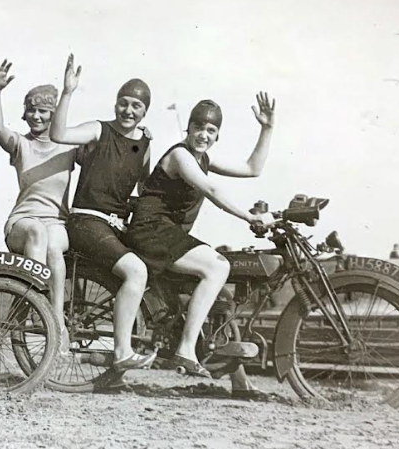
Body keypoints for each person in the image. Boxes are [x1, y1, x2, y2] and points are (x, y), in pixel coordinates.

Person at [123, 94, 276, 398]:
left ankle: (232, 375)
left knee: (218, 286)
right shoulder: (181, 156)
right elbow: (210, 187)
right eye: (198, 127)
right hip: (150, 229)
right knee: (218, 266)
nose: (203, 135)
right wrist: (249, 216)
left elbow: (252, 168)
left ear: (217, 135)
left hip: (166, 233)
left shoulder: (203, 158)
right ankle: (186, 349)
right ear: (189, 128)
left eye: (211, 131)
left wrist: (267, 130)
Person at [50, 54, 155, 370]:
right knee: (136, 271)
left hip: (114, 226)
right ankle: (122, 351)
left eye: (136, 106)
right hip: (86, 222)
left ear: (144, 111)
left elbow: (145, 188)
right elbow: (59, 134)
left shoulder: (145, 144)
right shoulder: (99, 130)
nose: (128, 110)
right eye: (123, 103)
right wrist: (67, 92)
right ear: (115, 104)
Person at [0, 59, 79, 354]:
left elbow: (106, 149)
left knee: (53, 244)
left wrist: (141, 138)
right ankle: (37, 307)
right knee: (39, 233)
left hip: (57, 223)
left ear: (54, 115)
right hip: (23, 223)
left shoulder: (69, 146)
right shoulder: (20, 145)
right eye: (32, 110)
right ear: (25, 114)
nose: (37, 116)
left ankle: (56, 321)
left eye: (44, 111)